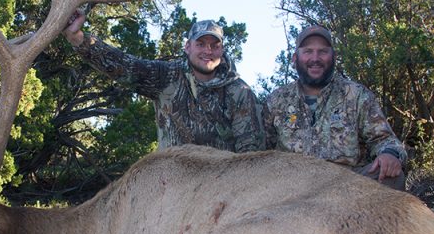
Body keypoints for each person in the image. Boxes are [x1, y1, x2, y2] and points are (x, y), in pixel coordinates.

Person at [63, 11, 265, 153]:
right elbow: (124, 65)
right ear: (187, 47)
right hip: (171, 187)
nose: (208, 51)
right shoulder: (167, 75)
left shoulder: (239, 91)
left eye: (215, 45)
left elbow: (250, 150)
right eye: (201, 44)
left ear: (222, 50)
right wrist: (78, 38)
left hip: (220, 191)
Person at [262, 25, 408, 190]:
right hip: (291, 189)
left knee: (391, 176)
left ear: (334, 57)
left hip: (346, 188)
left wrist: (389, 154)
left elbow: (385, 140)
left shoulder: (357, 95)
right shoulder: (277, 100)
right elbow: (263, 150)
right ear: (295, 58)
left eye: (323, 51)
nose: (315, 58)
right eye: (308, 51)